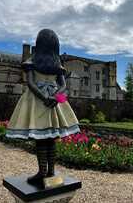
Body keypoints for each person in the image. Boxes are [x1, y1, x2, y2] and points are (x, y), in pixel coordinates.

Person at [6, 29, 80, 187]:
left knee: (41, 139)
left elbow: (31, 84)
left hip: (38, 101)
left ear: (39, 44)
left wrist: (45, 98)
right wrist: (55, 97)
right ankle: (51, 172)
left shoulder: (33, 61)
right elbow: (63, 86)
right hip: (55, 100)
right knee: (52, 138)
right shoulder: (57, 63)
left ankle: (42, 172)